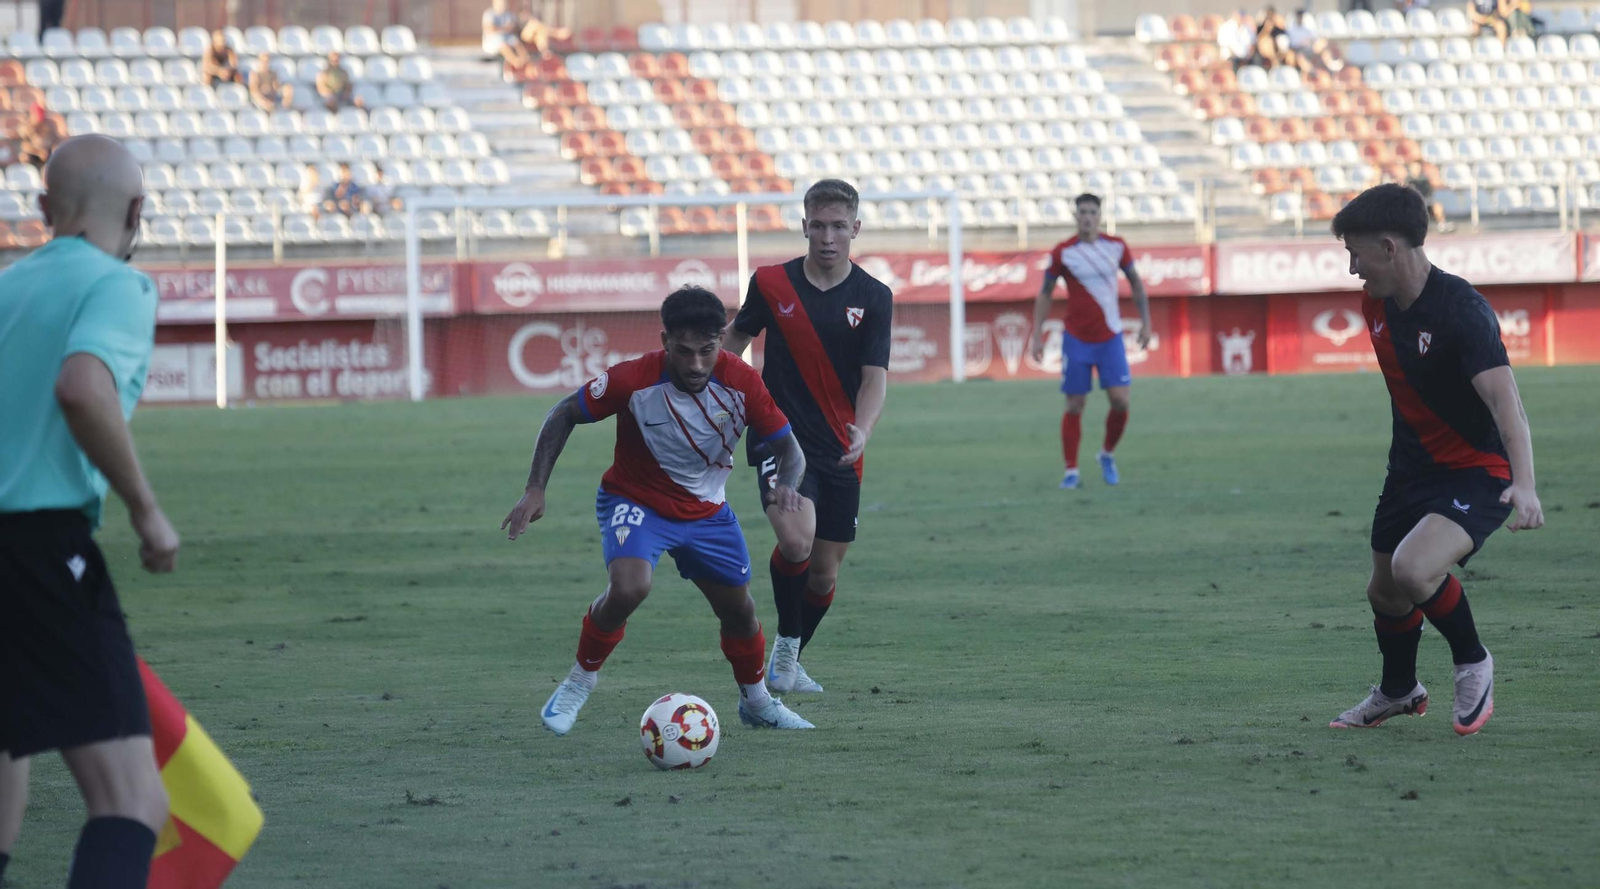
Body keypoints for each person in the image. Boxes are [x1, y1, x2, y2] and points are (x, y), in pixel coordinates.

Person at [503, 286, 815, 735]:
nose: (695, 365)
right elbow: (564, 413)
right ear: (664, 339)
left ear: (721, 339)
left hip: (706, 513)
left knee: (740, 612)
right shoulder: (633, 378)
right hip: (636, 501)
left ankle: (757, 701)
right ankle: (577, 682)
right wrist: (535, 489)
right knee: (629, 588)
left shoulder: (743, 382)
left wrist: (786, 483)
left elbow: (791, 449)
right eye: (683, 351)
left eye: (706, 351)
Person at [0, 134, 179, 888]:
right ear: (139, 210)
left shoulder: (6, 287)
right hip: (38, 548)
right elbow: (82, 386)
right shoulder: (119, 285)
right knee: (132, 799)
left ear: (43, 209)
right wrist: (146, 510)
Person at [1326, 183, 1544, 735]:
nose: (1353, 268)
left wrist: (1526, 485)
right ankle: (1399, 690)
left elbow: (1506, 402)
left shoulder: (1462, 311)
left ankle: (1473, 661)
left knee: (1414, 567)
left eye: (1356, 252)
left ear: (1390, 247)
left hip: (1478, 469)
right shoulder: (1374, 305)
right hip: (1409, 469)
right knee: (1384, 589)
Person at [719, 179, 893, 695]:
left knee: (822, 575)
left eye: (839, 226)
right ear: (804, 227)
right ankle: (785, 657)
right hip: (780, 438)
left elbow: (874, 376)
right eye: (818, 225)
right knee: (795, 541)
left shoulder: (874, 296)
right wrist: (708, 389)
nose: (827, 236)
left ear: (855, 229)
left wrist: (863, 429)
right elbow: (736, 341)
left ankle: (788, 655)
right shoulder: (771, 283)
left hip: (840, 447)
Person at [1027, 193, 1152, 490]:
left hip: (1110, 337)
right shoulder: (1063, 252)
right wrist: (1037, 335)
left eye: (1092, 212)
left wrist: (1147, 323)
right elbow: (1045, 293)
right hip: (1076, 339)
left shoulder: (1116, 247)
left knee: (1121, 401)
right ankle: (1071, 471)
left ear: (1099, 216)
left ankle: (1106, 454)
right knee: (1074, 404)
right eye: (1082, 212)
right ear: (1075, 216)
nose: (1086, 217)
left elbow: (1136, 283)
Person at [1404, 160, 1450, 232]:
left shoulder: (1425, 179)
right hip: (1413, 204)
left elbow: (1429, 193)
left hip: (1426, 202)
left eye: (1417, 167)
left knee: (1437, 206)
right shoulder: (1407, 180)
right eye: (1414, 167)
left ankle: (1442, 225)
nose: (1416, 169)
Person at [483, 0, 528, 68]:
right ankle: (516, 63)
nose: (502, 5)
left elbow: (513, 27)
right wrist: (504, 28)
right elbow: (490, 28)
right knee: (503, 45)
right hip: (493, 41)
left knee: (516, 42)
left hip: (507, 38)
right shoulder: (489, 14)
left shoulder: (508, 14)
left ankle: (526, 61)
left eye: (504, 3)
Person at [18, 101, 62, 169]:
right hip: (33, 154)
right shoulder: (26, 128)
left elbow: (55, 140)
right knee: (24, 157)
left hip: (47, 153)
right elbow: (24, 146)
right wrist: (38, 152)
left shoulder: (48, 127)